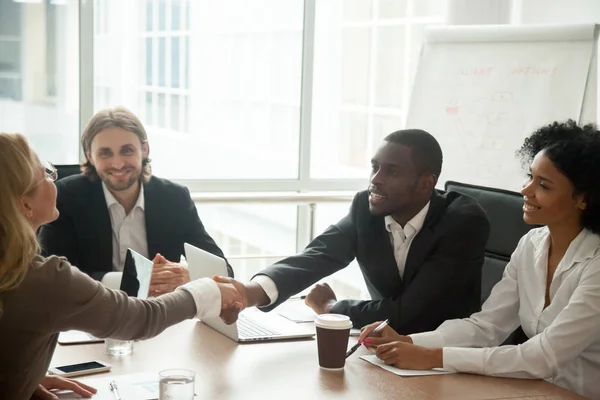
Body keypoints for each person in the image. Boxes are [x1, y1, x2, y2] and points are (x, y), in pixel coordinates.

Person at [358, 120, 600, 400]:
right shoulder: (531, 245)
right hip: (534, 390)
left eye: (543, 185)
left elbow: (542, 356)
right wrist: (408, 341)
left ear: (582, 198)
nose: (526, 189)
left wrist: (433, 356)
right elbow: (487, 327)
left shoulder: (595, 265)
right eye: (529, 176)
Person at [0, 133, 244, 400]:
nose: (117, 163)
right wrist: (205, 291)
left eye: (126, 150)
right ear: (25, 204)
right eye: (47, 174)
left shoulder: (15, 270)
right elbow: (140, 319)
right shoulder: (41, 278)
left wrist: (22, 379)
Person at [216, 129, 490, 333]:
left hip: (443, 357)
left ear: (426, 183)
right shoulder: (366, 209)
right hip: (383, 347)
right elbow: (318, 256)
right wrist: (249, 292)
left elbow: (411, 314)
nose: (375, 179)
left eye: (391, 172)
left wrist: (332, 309)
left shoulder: (462, 222)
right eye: (375, 167)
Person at [38, 107, 232, 297]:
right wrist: (135, 279)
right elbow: (52, 275)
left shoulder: (174, 198)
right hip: (91, 316)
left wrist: (190, 274)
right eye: (105, 153)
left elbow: (223, 271)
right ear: (89, 155)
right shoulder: (65, 197)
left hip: (160, 315)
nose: (118, 164)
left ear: (144, 150)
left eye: (127, 150)